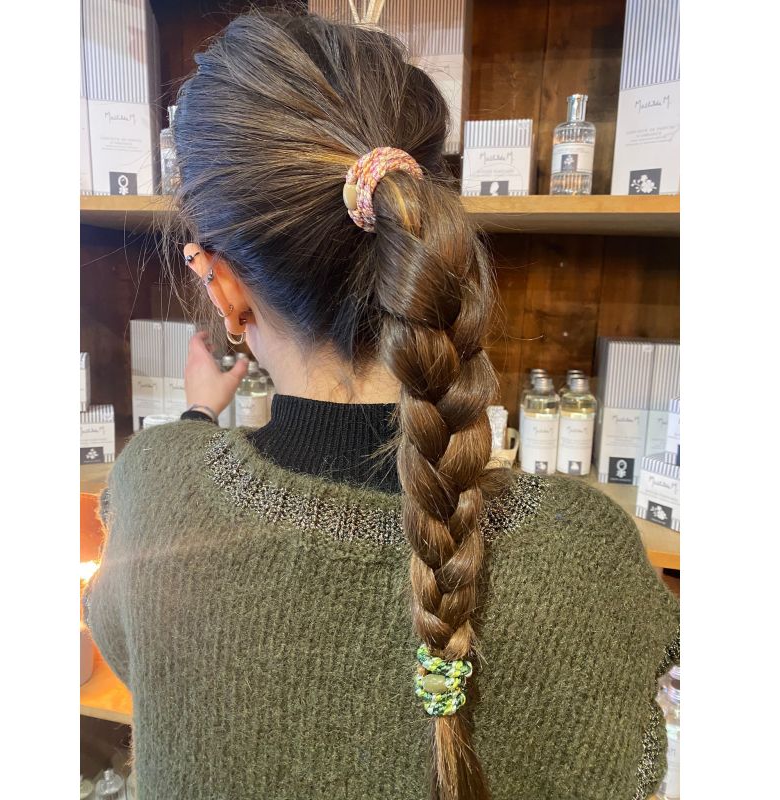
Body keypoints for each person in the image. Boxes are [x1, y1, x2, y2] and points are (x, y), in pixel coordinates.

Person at [84, 10, 679, 800]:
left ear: (222, 287)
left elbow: (135, 648)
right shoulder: (587, 552)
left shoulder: (156, 487)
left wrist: (196, 420)